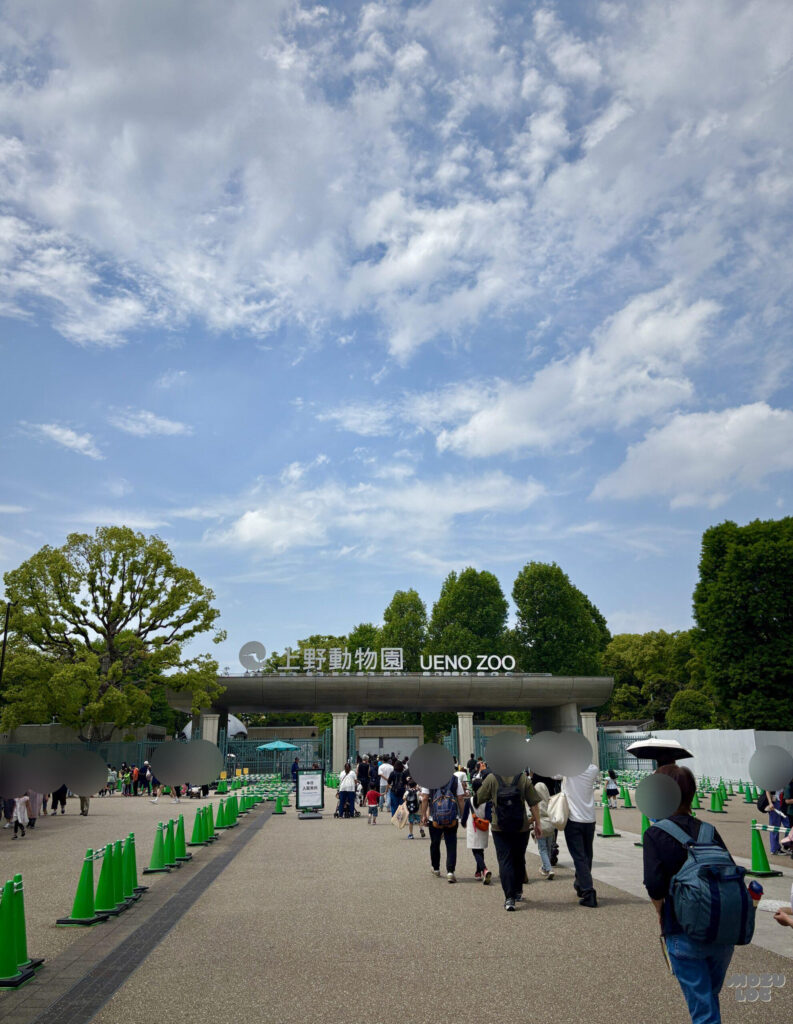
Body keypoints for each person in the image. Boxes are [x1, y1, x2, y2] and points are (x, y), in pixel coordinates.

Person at [643, 765, 737, 1024]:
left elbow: (654, 886)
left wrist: (661, 913)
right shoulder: (709, 830)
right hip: (722, 931)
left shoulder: (654, 834)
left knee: (703, 1010)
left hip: (683, 931)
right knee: (709, 999)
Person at [472, 766, 541, 910]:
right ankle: (517, 891)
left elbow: (478, 798)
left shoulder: (492, 778)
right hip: (521, 826)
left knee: (505, 860)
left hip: (500, 827)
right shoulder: (522, 778)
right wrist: (538, 823)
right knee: (519, 858)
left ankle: (509, 898)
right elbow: (533, 802)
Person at [562, 761, 600, 908]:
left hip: (573, 818)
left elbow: (553, 774)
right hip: (589, 818)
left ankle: (588, 891)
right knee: (587, 854)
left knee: (579, 856)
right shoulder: (593, 769)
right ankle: (580, 883)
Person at [420, 773, 466, 883]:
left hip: (434, 818)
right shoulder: (455, 779)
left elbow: (425, 798)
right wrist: (463, 816)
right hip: (451, 818)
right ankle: (450, 872)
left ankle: (436, 868)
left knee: (435, 843)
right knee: (451, 844)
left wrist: (423, 815)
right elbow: (460, 798)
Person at [461, 778, 492, 883]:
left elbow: (464, 816)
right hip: (483, 828)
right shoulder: (487, 801)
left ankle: (484, 869)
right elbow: (489, 818)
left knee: (476, 851)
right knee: (480, 850)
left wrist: (463, 824)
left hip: (472, 829)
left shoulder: (469, 801)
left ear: (473, 789)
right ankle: (478, 872)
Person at [529, 773, 554, 879]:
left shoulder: (536, 803)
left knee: (542, 849)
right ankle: (545, 867)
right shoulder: (550, 801)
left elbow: (532, 816)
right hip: (551, 826)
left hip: (541, 825)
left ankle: (549, 869)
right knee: (548, 848)